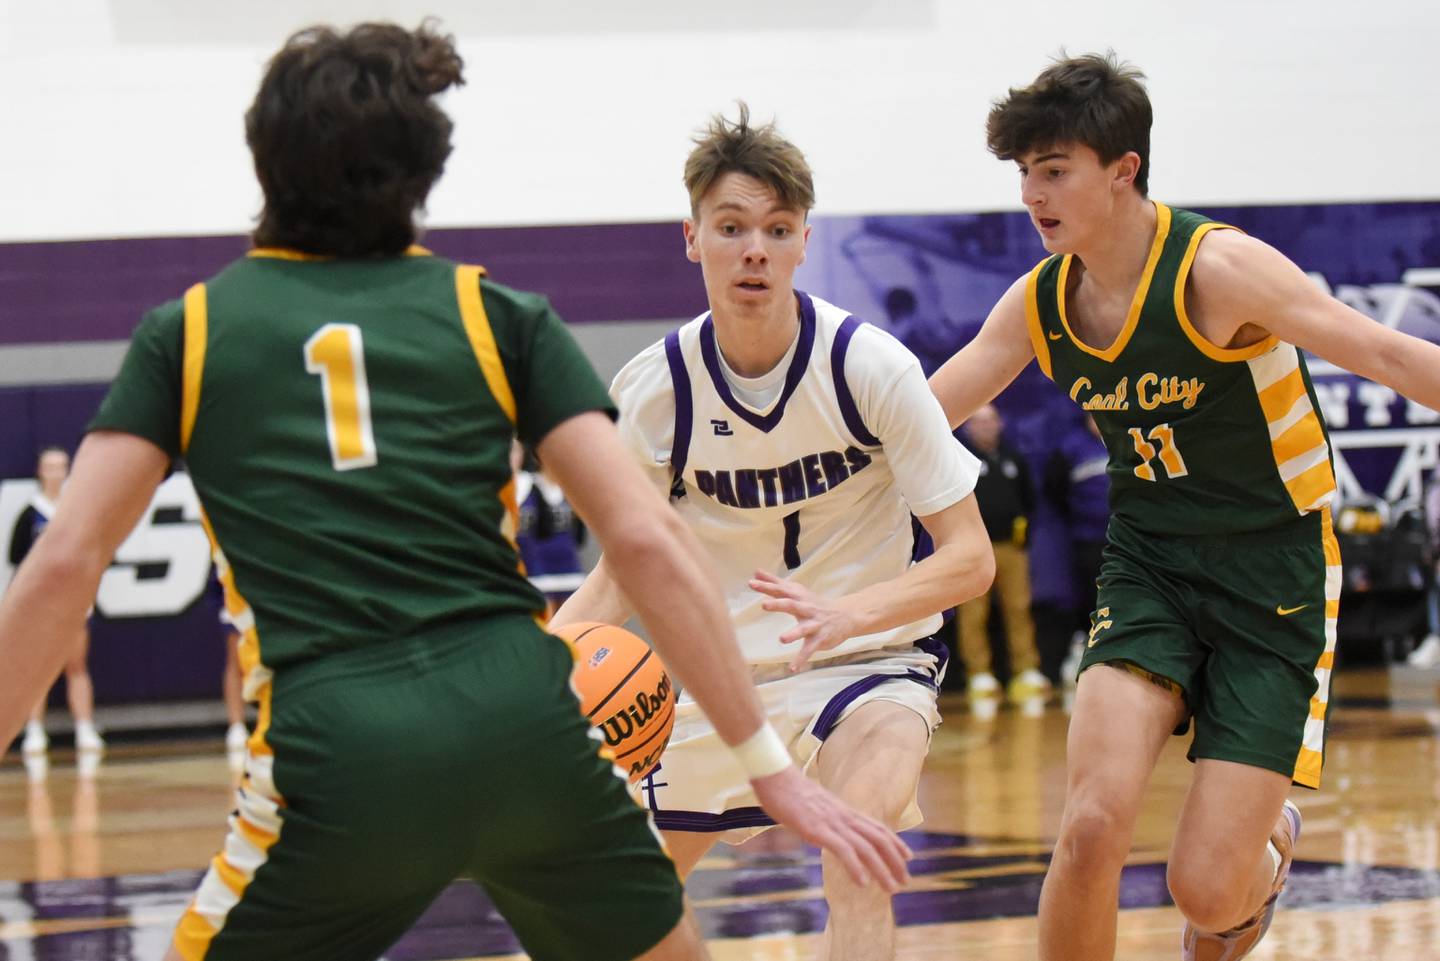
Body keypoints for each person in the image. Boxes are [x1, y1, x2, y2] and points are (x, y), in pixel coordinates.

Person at [0, 23, 910, 961]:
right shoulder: (496, 312)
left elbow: (66, 561)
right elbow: (644, 543)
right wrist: (768, 764)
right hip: (527, 728)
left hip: (335, 745)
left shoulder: (186, 332)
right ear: (422, 175)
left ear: (265, 160)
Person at [928, 53, 1440, 961]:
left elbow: (1389, 356)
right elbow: (924, 417)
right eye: (1024, 175)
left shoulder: (1221, 270)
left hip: (1271, 570)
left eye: (1054, 171)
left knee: (1204, 891)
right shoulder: (1041, 301)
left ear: (1123, 169)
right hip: (1151, 562)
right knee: (1089, 824)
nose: (1032, 196)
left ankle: (1259, 853)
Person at [553, 105, 994, 961]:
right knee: (613, 904)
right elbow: (618, 576)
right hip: (719, 682)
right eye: (732, 227)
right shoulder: (653, 390)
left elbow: (971, 557)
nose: (754, 248)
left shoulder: (871, 368)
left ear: (801, 243)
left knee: (858, 844)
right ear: (693, 237)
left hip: (870, 668)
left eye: (777, 228)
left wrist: (850, 614)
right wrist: (541, 667)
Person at [8, 446, 104, 756]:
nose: (56, 472)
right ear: (40, 471)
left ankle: (85, 728)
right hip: (39, 607)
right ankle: (34, 730)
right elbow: (16, 560)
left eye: (62, 466)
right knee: (37, 671)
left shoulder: (76, 511)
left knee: (76, 665)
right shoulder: (30, 514)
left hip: (75, 603)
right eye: (50, 466)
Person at [954, 404, 1049, 710]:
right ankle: (979, 675)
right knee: (973, 613)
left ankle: (1026, 671)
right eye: (978, 422)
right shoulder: (960, 459)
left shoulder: (1013, 458)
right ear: (969, 427)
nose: (985, 427)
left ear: (1000, 424)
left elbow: (1029, 500)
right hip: (973, 551)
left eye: (990, 421)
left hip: (1011, 547)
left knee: (1019, 608)